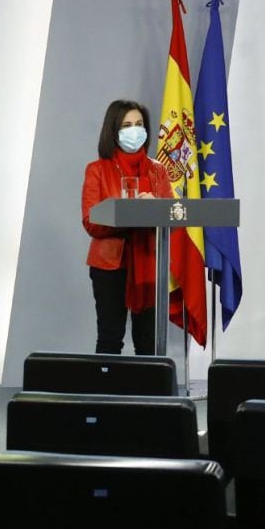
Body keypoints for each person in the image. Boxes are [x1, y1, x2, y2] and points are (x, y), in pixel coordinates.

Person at [81, 99, 173, 355]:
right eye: (127, 125)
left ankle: (148, 394)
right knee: (110, 338)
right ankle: (108, 393)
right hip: (109, 266)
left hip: (149, 264)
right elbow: (91, 222)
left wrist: (154, 209)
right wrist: (127, 213)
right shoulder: (97, 170)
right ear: (113, 131)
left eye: (139, 124)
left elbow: (173, 220)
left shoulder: (159, 171)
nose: (135, 130)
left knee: (148, 341)